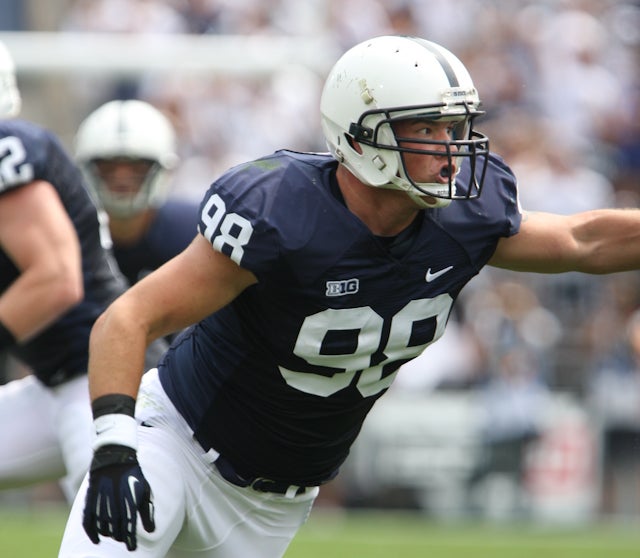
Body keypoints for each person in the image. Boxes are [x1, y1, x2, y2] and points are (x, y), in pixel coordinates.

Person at [59, 35, 640, 556]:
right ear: (362, 135)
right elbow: (127, 318)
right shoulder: (285, 215)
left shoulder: (466, 217)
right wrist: (114, 445)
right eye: (425, 128)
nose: (449, 148)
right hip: (177, 445)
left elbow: (581, 240)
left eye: (454, 127)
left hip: (276, 507)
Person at [0, 41, 166, 503]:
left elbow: (55, 280)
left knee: (108, 539)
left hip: (102, 377)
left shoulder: (7, 148)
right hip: (51, 382)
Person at [74, 99, 198, 288]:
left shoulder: (193, 233)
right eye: (108, 166)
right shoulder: (64, 235)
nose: (122, 178)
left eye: (137, 166)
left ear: (163, 170)